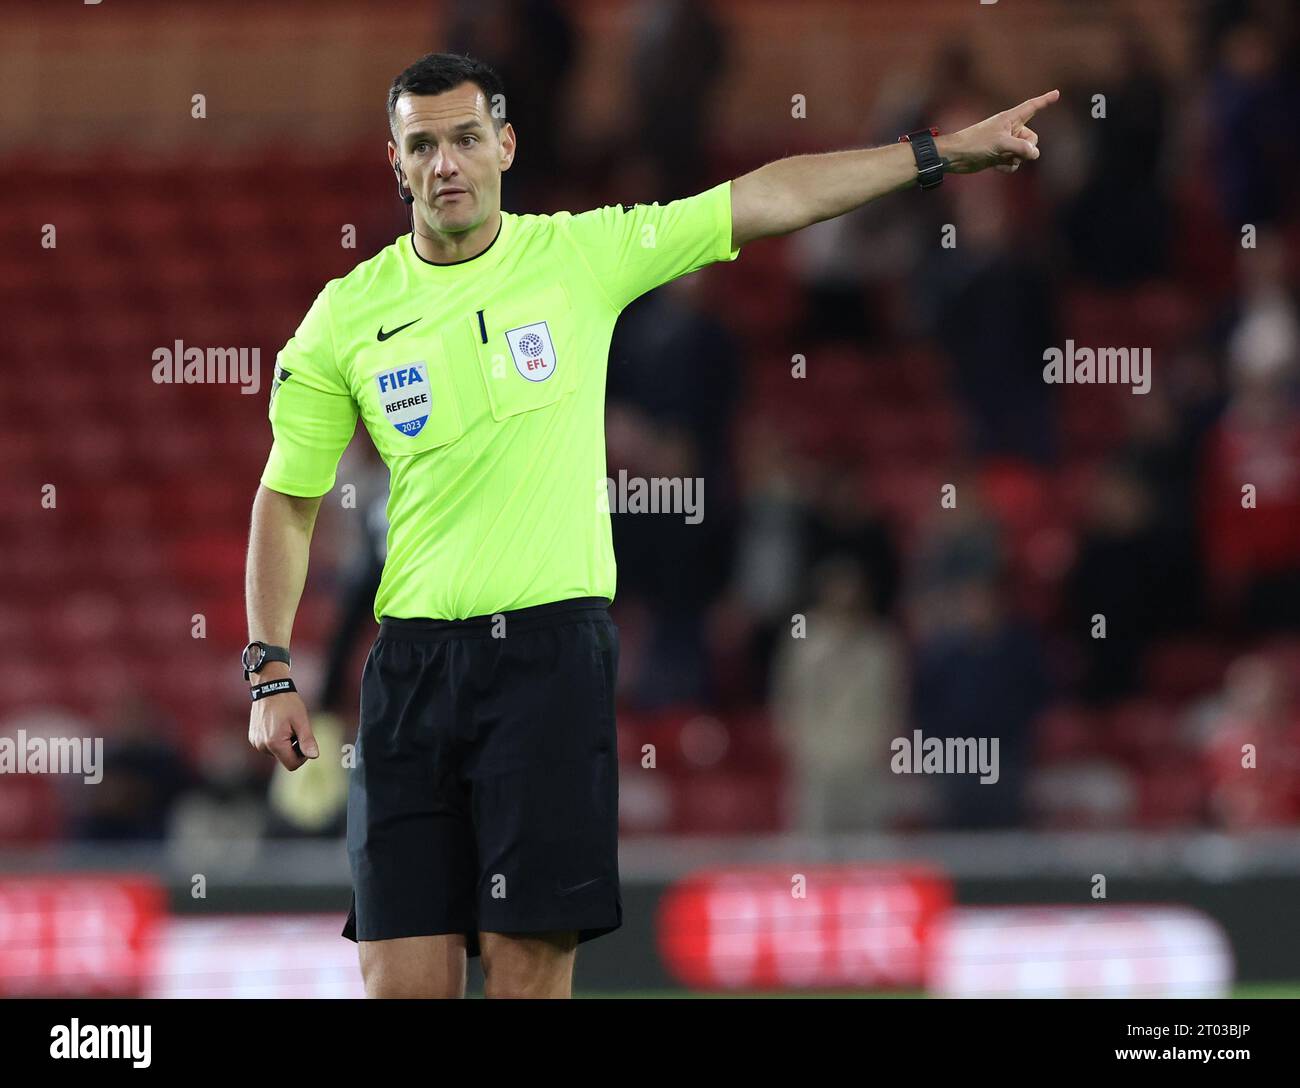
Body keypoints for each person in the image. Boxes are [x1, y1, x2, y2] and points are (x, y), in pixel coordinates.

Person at [244, 51, 1059, 998]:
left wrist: (935, 154)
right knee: (398, 987)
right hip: (411, 673)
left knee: (525, 979)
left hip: (547, 668)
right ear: (397, 162)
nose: (447, 164)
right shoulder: (345, 316)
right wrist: (269, 669)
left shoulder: (580, 256)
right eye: (422, 146)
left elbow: (763, 200)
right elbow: (287, 499)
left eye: (466, 138)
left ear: (505, 145)